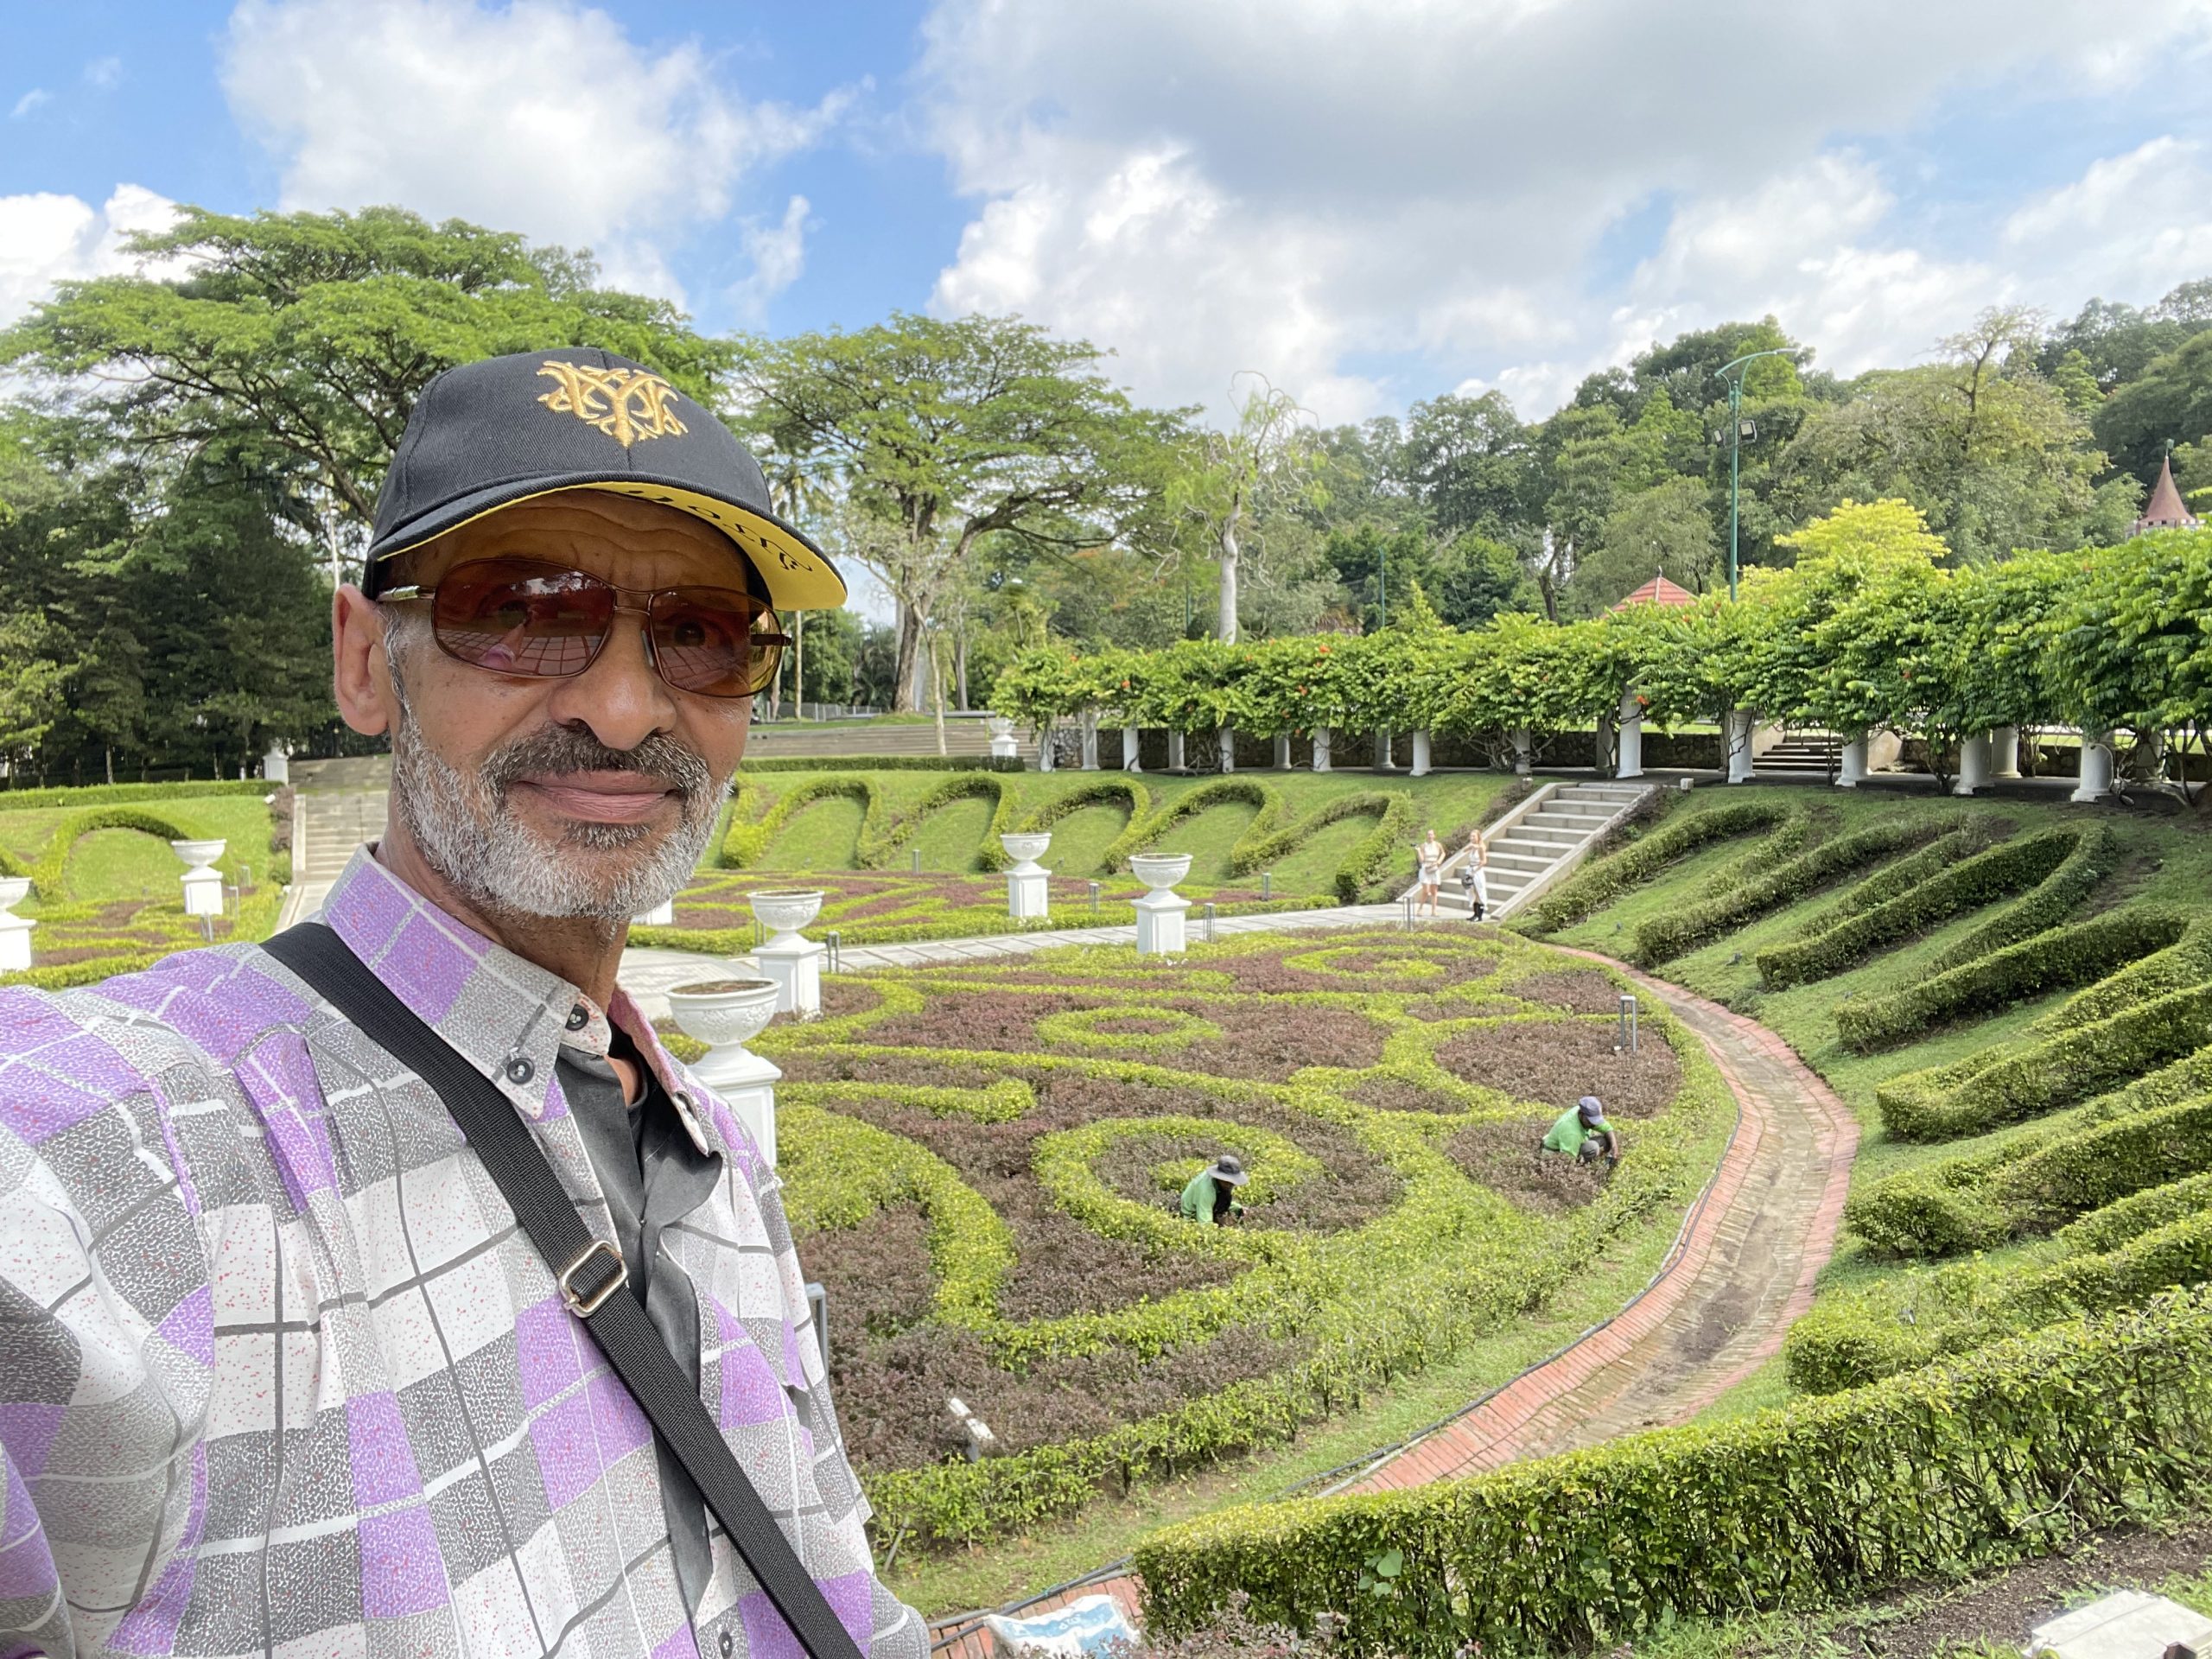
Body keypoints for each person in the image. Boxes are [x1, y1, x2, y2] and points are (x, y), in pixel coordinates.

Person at [0, 351, 925, 1659]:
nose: (623, 710)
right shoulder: (165, 1150)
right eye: (524, 610)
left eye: (702, 633)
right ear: (365, 662)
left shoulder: (712, 1147)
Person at [1542, 1095, 1621, 1166]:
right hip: (1555, 1153)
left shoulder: (1584, 1111)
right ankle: (1583, 1164)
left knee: (1606, 1140)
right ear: (1581, 1114)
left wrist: (1614, 1148)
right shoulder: (1571, 1132)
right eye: (1590, 1121)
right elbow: (1567, 1160)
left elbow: (1607, 1129)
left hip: (1573, 1143)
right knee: (1592, 1147)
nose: (1593, 1124)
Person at [1179, 1153, 1250, 1224]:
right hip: (1191, 1217)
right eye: (1227, 1181)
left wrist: (1238, 1208)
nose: (1229, 1185)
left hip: (1208, 1207)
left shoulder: (1221, 1185)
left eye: (1232, 1182)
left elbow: (1217, 1200)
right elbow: (1205, 1223)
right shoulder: (1205, 1190)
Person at [1460, 829, 1490, 921]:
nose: (1472, 838)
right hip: (1471, 868)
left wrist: (1475, 871)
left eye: (1474, 836)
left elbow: (1484, 861)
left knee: (1479, 892)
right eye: (1471, 836)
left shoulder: (1481, 847)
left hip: (1477, 871)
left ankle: (1479, 915)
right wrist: (1471, 846)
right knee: (1471, 891)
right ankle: (1475, 914)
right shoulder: (1473, 846)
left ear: (1478, 837)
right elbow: (1464, 851)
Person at [1415, 828, 1445, 918]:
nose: (1430, 836)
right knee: (1426, 891)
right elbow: (1421, 860)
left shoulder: (1438, 845)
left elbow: (1443, 853)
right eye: (1428, 835)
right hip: (1426, 868)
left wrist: (1439, 861)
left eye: (1431, 834)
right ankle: (1420, 908)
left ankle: (1434, 910)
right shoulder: (1423, 846)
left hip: (1434, 868)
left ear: (1434, 836)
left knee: (1434, 891)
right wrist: (1418, 851)